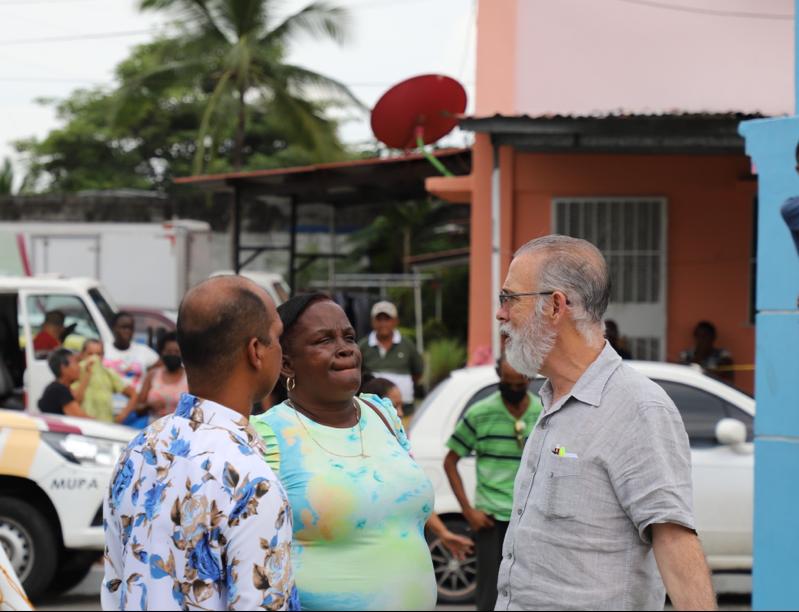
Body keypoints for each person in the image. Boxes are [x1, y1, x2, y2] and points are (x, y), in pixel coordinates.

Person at [494, 235, 716, 611]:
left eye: (509, 298)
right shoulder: (551, 401)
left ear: (555, 306)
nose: (500, 314)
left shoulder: (638, 408)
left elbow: (675, 541)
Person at [102, 275, 298, 611]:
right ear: (255, 352)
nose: (282, 349)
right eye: (278, 337)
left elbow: (115, 585)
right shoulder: (252, 483)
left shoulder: (138, 451)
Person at [251, 293, 437, 610]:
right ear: (286, 363)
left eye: (349, 337)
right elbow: (253, 557)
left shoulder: (384, 415)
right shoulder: (267, 435)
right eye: (324, 340)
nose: (345, 348)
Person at [443, 354, 543, 611]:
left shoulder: (542, 413)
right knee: (489, 594)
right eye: (507, 385)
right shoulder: (481, 413)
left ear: (529, 380)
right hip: (490, 518)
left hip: (531, 518)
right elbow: (450, 461)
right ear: (499, 379)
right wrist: (468, 511)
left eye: (519, 385)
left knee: (530, 591)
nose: (514, 391)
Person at [360, 375, 475, 562]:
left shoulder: (400, 449)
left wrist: (444, 534)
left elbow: (414, 494)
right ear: (373, 408)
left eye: (401, 407)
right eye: (392, 406)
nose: (399, 413)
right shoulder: (359, 449)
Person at [358, 301, 424, 417]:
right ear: (372, 322)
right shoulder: (362, 346)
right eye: (379, 319)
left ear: (395, 321)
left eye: (387, 319)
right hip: (373, 411)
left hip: (405, 409)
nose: (383, 323)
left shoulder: (407, 345)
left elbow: (417, 372)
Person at [104, 311, 160, 428]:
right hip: (106, 409)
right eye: (123, 327)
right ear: (113, 328)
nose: (127, 331)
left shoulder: (143, 351)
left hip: (135, 412)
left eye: (130, 328)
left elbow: (162, 370)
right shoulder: (104, 349)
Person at [73, 339, 138, 424]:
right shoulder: (76, 371)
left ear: (103, 356)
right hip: (82, 426)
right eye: (90, 354)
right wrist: (87, 375)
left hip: (105, 427)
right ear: (82, 355)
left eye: (98, 354)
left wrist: (121, 417)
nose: (94, 358)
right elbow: (75, 400)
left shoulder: (108, 373)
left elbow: (133, 394)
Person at [137, 332, 188, 423]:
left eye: (176, 352)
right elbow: (138, 407)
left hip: (179, 431)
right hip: (153, 430)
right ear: (162, 352)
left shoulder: (189, 378)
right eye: (168, 352)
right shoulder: (152, 375)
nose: (172, 355)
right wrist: (148, 406)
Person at [37, 348, 90, 417]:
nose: (79, 366)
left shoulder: (60, 388)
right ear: (63, 368)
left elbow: (76, 398)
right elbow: (81, 418)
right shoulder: (58, 390)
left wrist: (87, 375)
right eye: (75, 363)